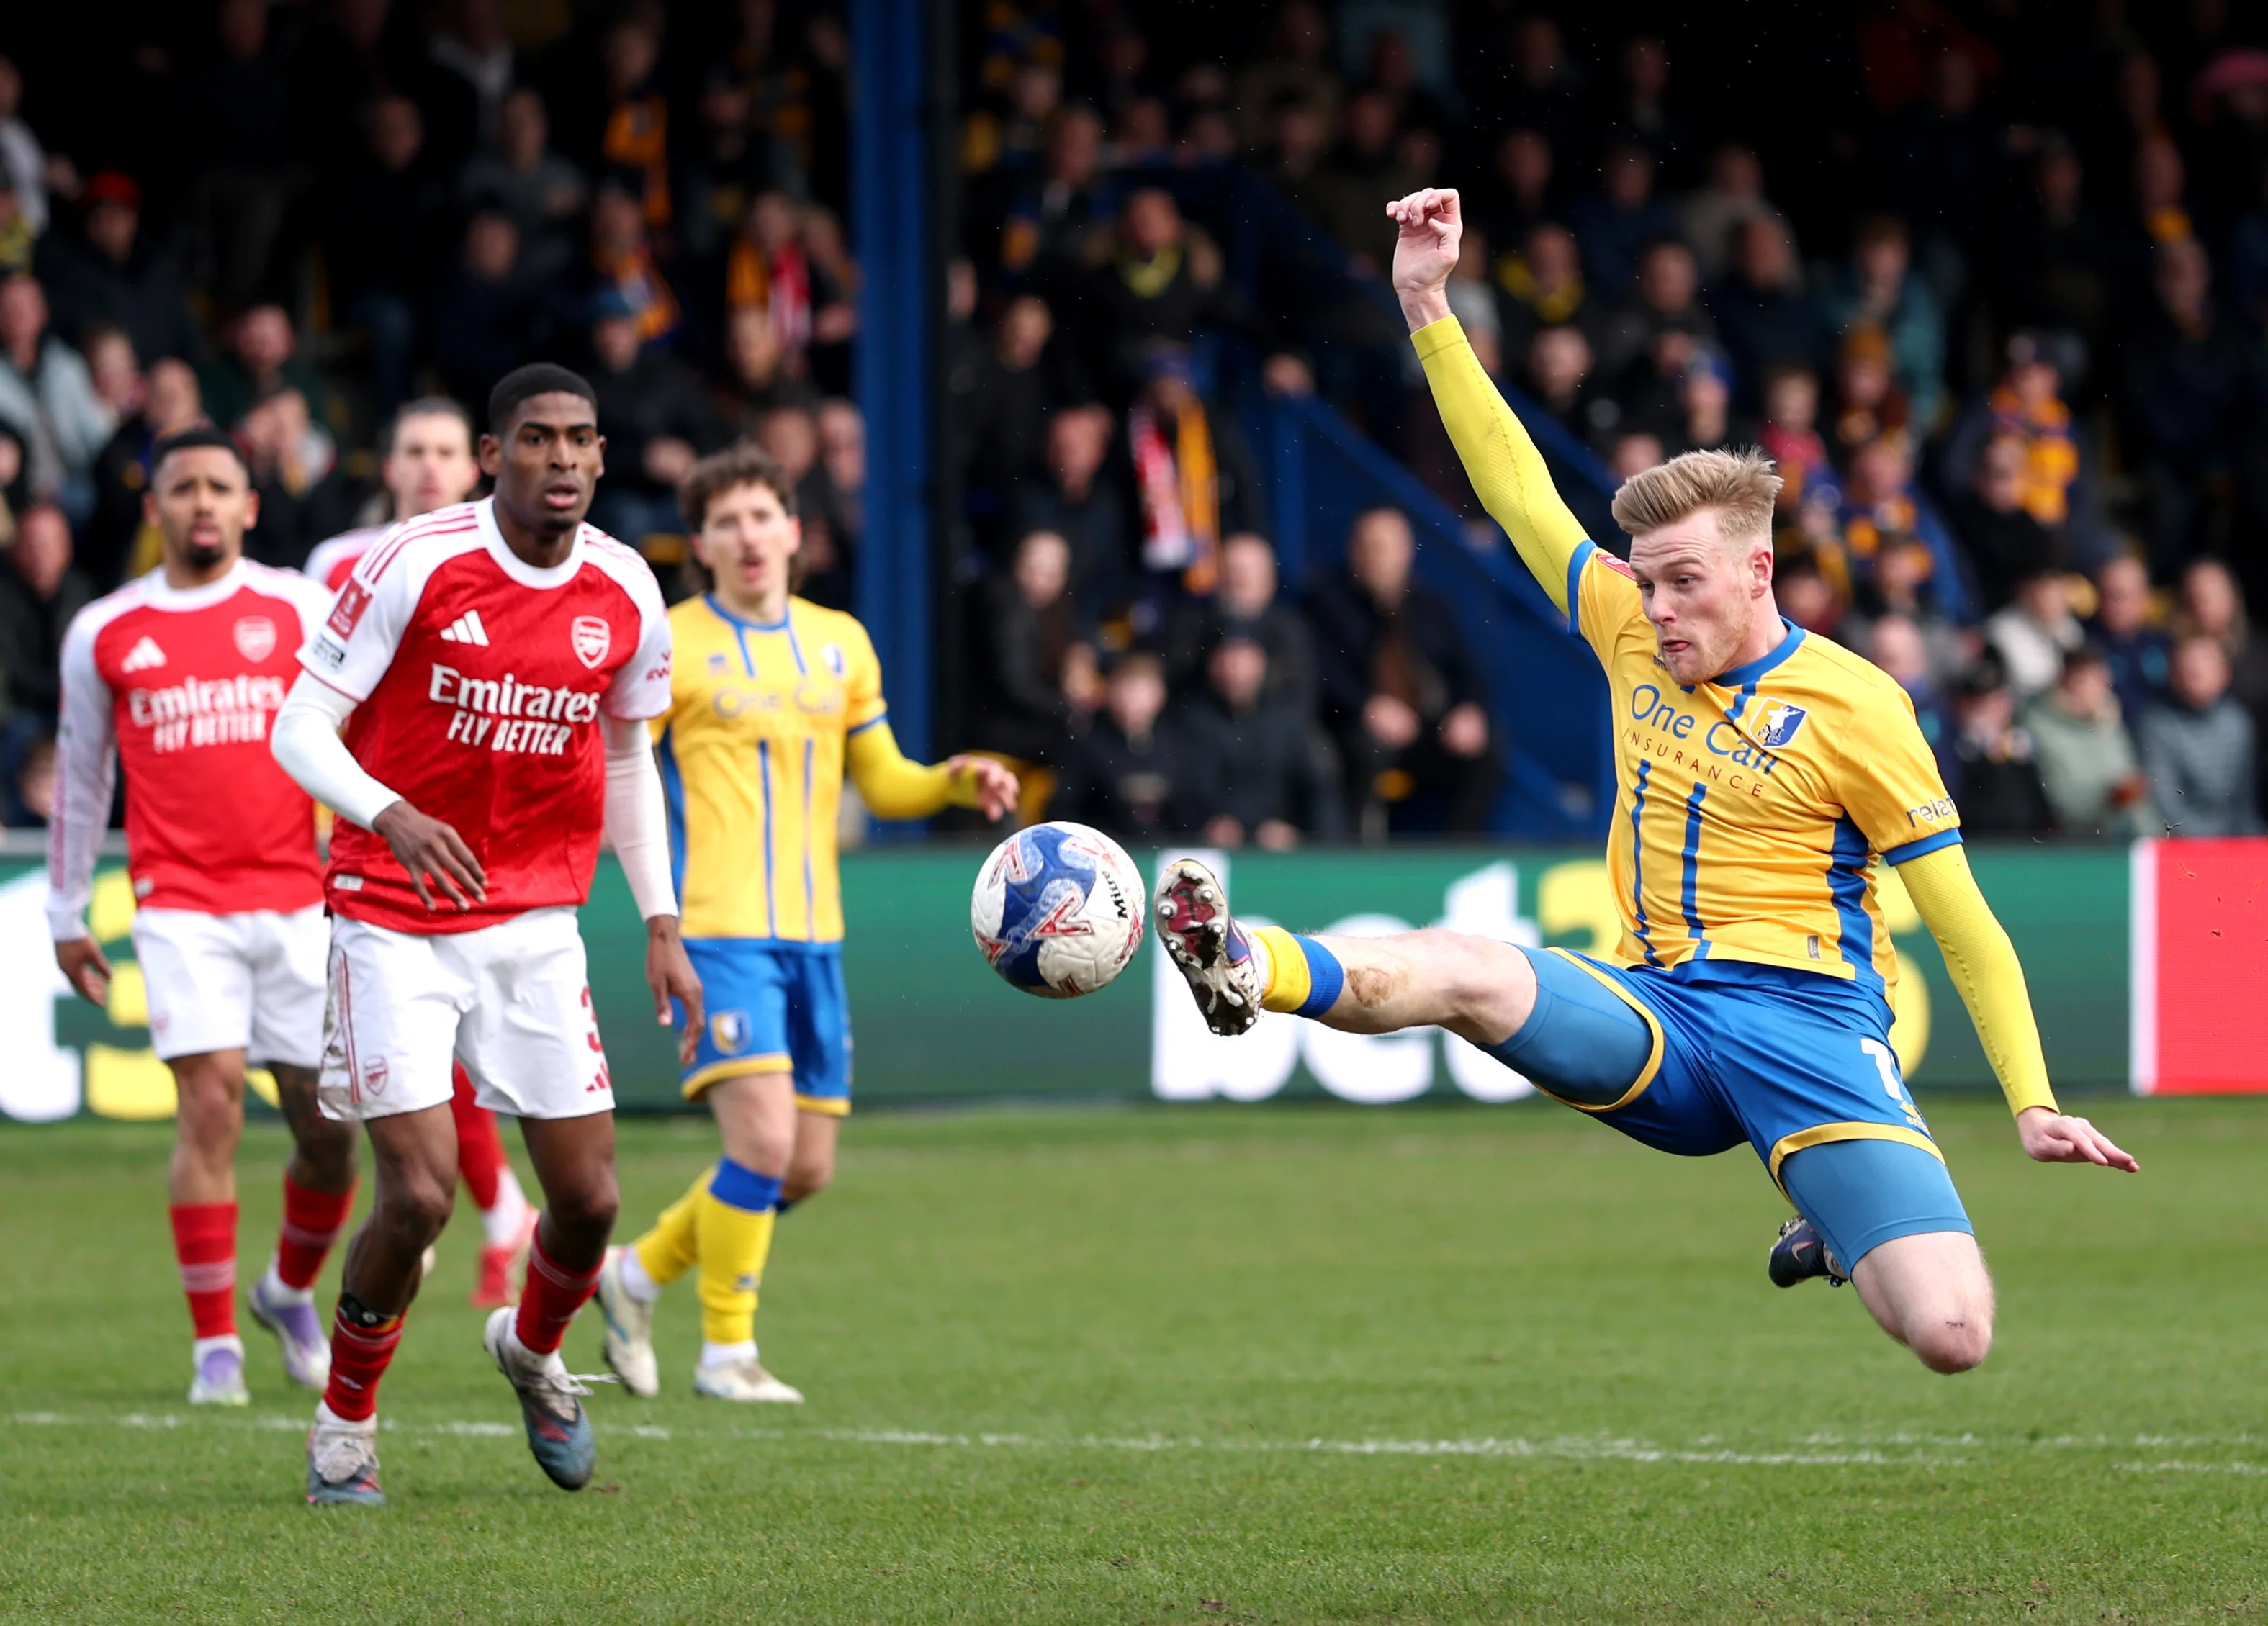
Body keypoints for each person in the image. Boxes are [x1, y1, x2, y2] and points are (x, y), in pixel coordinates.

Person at [1155, 188, 2137, 1385]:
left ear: (1759, 568)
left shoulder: (1864, 707)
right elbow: (1516, 486)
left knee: (1952, 1334)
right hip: (1659, 1012)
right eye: (1645, 581)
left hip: (1813, 1031)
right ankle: (1242, 963)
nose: (1656, 606)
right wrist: (1427, 303)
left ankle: (1829, 1227)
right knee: (1467, 967)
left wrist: (2030, 1101)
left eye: (1682, 583)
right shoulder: (1627, 622)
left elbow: (1969, 924)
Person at [266, 363, 701, 1505]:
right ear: (493, 451)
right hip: (390, 915)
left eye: (580, 441)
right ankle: (345, 1422)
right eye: (537, 439)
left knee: (593, 1200)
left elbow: (623, 757)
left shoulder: (628, 591)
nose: (561, 459)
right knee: (416, 1194)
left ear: (603, 457)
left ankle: (531, 1347)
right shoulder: (414, 560)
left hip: (534, 919)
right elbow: (300, 725)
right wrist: (388, 812)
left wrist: (660, 915)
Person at [595, 446, 1014, 1404]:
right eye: (726, 521)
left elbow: (884, 781)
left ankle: (633, 1275)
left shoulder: (840, 642)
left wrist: (952, 777)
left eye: (762, 515)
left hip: (815, 935)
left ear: (793, 529)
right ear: (698, 543)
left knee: (806, 1165)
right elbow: (613, 772)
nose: (747, 535)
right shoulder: (669, 641)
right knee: (762, 1147)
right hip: (715, 929)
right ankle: (725, 1352)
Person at [45, 428, 359, 1407]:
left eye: (220, 486)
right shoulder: (104, 628)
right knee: (211, 1102)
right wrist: (65, 907)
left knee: (328, 1135)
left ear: (251, 505)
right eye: (182, 487)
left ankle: (286, 1290)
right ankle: (215, 1345)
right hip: (181, 908)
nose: (202, 503)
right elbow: (82, 776)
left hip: (298, 903)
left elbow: (358, 732)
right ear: (155, 507)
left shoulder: (299, 608)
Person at [300, 397, 539, 1311]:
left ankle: (478, 1208)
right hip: (365, 831)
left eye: (446, 450)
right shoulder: (334, 565)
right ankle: (481, 1208)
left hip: (476, 844)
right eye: (414, 450)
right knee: (396, 1056)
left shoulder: (506, 561)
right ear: (388, 465)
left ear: (472, 465)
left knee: (431, 1051)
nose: (431, 465)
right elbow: (316, 704)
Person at [1307, 506, 1495, 834]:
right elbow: (1321, 672)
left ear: (1406, 551)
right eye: (1367, 546)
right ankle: (1357, 855)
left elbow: (1466, 669)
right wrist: (1366, 706)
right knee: (1361, 750)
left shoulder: (1431, 605)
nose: (1375, 557)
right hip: (1357, 728)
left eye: (1384, 547)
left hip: (1426, 732)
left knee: (1488, 750)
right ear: (1353, 550)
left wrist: (1469, 709)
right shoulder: (1325, 601)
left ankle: (1460, 856)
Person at [2023, 647, 2153, 838]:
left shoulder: (2109, 718)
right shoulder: (2041, 726)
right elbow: (2063, 801)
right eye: (2089, 680)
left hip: (2133, 833)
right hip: (2080, 841)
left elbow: (2129, 774)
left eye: (2102, 679)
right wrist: (2114, 798)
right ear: (2067, 683)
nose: (2100, 687)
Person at [2141, 635, 2262, 837]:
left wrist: (2247, 842)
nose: (2192, 679)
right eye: (2186, 671)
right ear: (2173, 675)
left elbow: (2244, 799)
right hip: (2182, 845)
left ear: (2224, 674)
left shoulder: (2238, 721)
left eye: (2200, 672)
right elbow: (2166, 803)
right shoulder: (2156, 724)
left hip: (2236, 839)